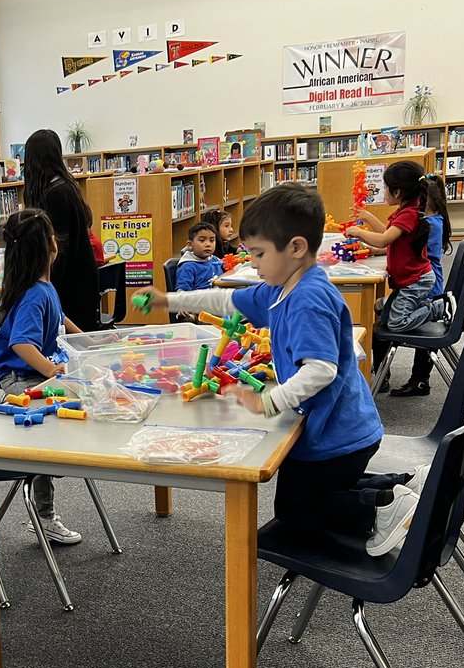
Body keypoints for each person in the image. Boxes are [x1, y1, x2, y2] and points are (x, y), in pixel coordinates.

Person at [137, 184, 424, 557]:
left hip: (336, 435)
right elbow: (225, 299)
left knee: (294, 510)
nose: (252, 263)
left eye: (258, 254)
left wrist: (269, 402)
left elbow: (320, 370)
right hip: (337, 428)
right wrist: (169, 298)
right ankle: (404, 485)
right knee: (310, 494)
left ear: (296, 248)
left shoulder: (308, 299)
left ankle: (383, 507)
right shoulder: (280, 287)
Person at [0, 209, 84, 545]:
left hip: (35, 372)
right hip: (18, 377)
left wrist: (85, 339)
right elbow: (21, 343)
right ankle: (44, 516)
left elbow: (60, 319)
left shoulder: (44, 287)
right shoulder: (33, 293)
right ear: (48, 247)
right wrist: (50, 370)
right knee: (47, 433)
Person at [345, 160, 444, 391]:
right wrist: (368, 218)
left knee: (396, 324)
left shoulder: (409, 214)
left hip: (416, 281)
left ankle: (436, 309)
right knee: (384, 314)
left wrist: (359, 231)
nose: (383, 191)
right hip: (411, 279)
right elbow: (388, 234)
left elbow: (383, 240)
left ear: (397, 191)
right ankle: (381, 370)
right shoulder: (407, 210)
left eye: (385, 187)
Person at [23, 129, 100, 331]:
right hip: (77, 275)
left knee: (71, 343)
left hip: (71, 281)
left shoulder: (56, 193)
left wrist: (46, 283)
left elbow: (60, 246)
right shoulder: (65, 185)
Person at [392, 174, 453, 397]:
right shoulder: (434, 220)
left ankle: (420, 380)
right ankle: (386, 372)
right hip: (430, 282)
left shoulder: (427, 225)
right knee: (385, 309)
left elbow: (399, 245)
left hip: (429, 288)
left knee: (392, 317)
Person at [175, 221, 226, 292]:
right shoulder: (187, 267)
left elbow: (228, 271)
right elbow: (182, 294)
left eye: (212, 240)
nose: (208, 244)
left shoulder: (214, 259)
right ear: (190, 244)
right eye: (202, 240)